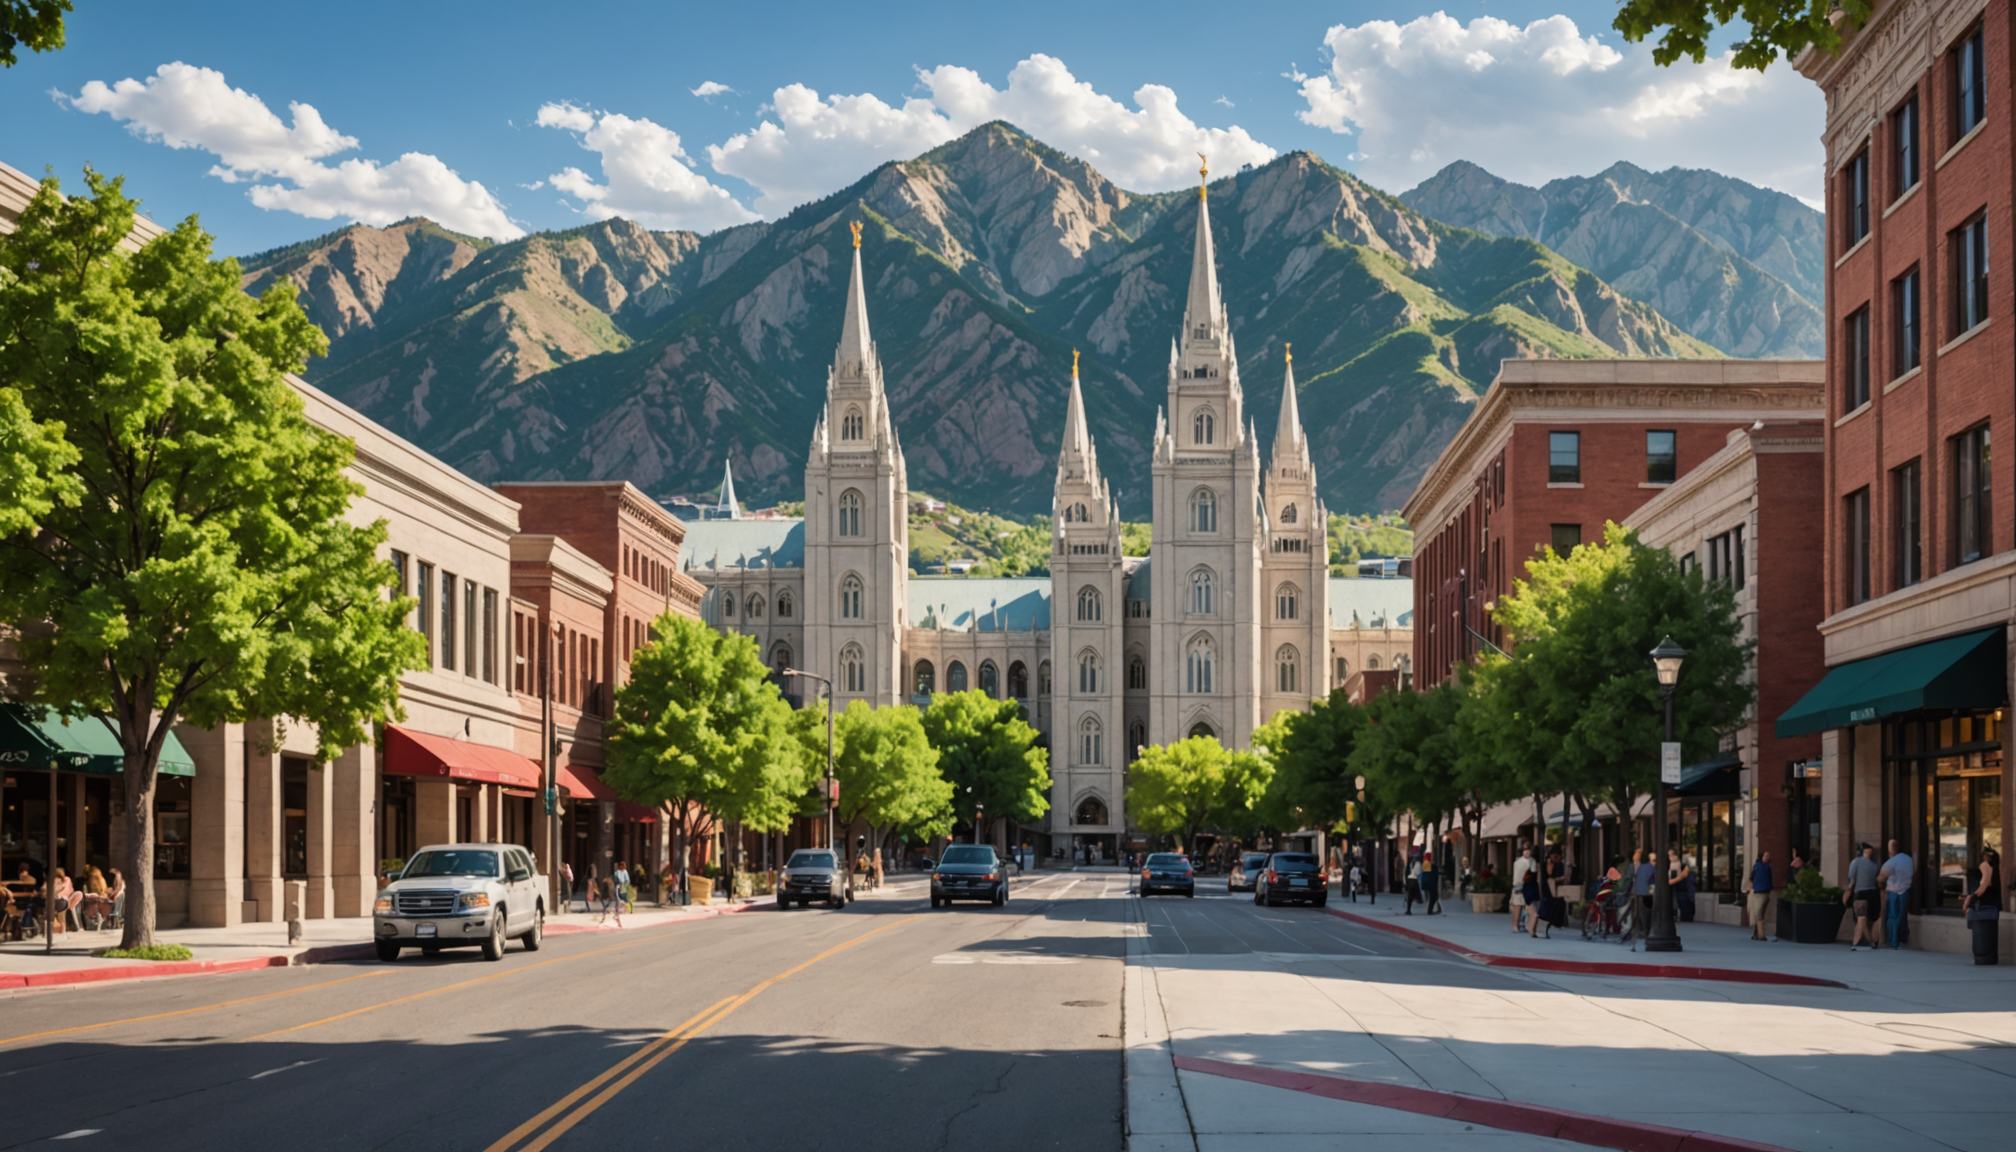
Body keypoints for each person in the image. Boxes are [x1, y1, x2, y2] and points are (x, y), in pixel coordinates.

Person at [1962, 847, 2000, 966]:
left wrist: (1972, 897)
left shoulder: (1985, 865)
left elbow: (1984, 883)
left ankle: (1982, 957)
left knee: (1981, 931)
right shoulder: (1996, 867)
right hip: (1992, 904)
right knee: (1986, 931)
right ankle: (1986, 957)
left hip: (1984, 903)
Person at [1844, 843, 1881, 951]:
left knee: (1860, 918)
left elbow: (1851, 878)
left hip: (1860, 893)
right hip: (1873, 893)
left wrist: (1849, 891)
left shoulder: (1855, 862)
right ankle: (1872, 942)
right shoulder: (1875, 866)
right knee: (1870, 919)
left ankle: (1857, 942)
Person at [1878, 839, 1914, 950]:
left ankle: (1893, 941)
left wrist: (1882, 888)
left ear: (1892, 849)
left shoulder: (1891, 862)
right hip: (1905, 891)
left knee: (1892, 917)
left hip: (1893, 891)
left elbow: (1881, 877)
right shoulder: (1909, 859)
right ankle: (1903, 937)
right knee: (1902, 916)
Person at [1747, 851, 1777, 942]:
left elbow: (1752, 877)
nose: (1767, 858)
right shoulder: (1763, 867)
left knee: (1759, 912)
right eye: (1766, 856)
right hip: (1760, 892)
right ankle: (1760, 935)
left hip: (1762, 891)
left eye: (1768, 856)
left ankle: (1756, 933)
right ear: (1762, 857)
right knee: (1759, 912)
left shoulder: (1762, 866)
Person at [1511, 846, 1536, 933]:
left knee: (1529, 908)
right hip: (1519, 886)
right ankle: (1515, 924)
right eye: (1525, 850)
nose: (1527, 852)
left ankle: (1528, 925)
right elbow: (1516, 875)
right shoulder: (1518, 862)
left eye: (1528, 850)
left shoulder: (1532, 861)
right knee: (1517, 907)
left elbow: (1533, 873)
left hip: (1528, 886)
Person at [1668, 850, 1696, 923]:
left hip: (1682, 890)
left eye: (1672, 854)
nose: (1671, 856)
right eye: (1669, 855)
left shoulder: (1682, 866)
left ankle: (1682, 917)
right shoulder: (1670, 866)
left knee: (1682, 904)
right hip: (1678, 890)